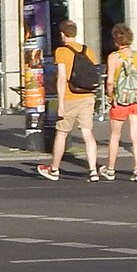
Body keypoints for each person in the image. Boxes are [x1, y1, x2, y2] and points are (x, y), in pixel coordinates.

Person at [38, 20, 101, 182]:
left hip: (70, 97)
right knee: (88, 133)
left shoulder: (61, 51)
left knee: (62, 134)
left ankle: (54, 169)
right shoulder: (88, 51)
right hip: (87, 96)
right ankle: (93, 170)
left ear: (62, 34)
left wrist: (60, 104)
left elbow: (61, 78)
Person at [100, 23, 137, 182]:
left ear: (116, 40)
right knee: (135, 136)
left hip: (120, 100)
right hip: (136, 99)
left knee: (115, 135)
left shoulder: (113, 57)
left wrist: (110, 96)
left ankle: (111, 168)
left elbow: (111, 81)